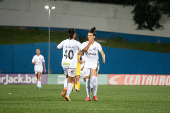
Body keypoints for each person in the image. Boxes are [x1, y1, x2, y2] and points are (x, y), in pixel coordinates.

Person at [81, 27, 105, 101]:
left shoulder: (97, 45)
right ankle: (88, 96)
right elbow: (83, 50)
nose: (89, 37)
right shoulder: (84, 43)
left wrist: (104, 57)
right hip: (87, 64)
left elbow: (102, 52)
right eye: (88, 35)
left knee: (94, 79)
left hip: (94, 63)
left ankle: (95, 95)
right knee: (87, 81)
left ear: (94, 36)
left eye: (91, 35)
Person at [57, 28, 81, 101]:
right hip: (72, 64)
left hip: (64, 63)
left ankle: (65, 87)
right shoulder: (76, 43)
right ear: (74, 34)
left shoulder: (64, 41)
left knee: (66, 77)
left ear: (68, 34)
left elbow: (57, 47)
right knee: (71, 80)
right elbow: (84, 49)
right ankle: (67, 95)